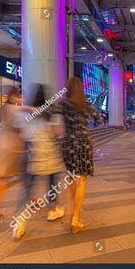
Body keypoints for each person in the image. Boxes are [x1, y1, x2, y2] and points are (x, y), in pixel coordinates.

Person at [13, 84, 66, 239]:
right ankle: (53, 210)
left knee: (28, 190)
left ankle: (19, 221)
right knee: (52, 185)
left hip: (33, 156)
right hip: (50, 157)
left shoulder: (26, 114)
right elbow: (59, 133)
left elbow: (22, 134)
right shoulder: (53, 114)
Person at [54, 77, 98, 233]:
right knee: (82, 180)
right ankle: (76, 218)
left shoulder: (63, 103)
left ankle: (74, 210)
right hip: (83, 144)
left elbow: (50, 111)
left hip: (68, 144)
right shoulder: (85, 103)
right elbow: (98, 118)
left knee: (72, 177)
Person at [0, 87, 26, 221]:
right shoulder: (15, 109)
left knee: (0, 179)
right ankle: (32, 199)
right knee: (24, 176)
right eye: (19, 96)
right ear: (14, 96)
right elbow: (20, 129)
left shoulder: (3, 109)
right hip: (9, 147)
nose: (20, 99)